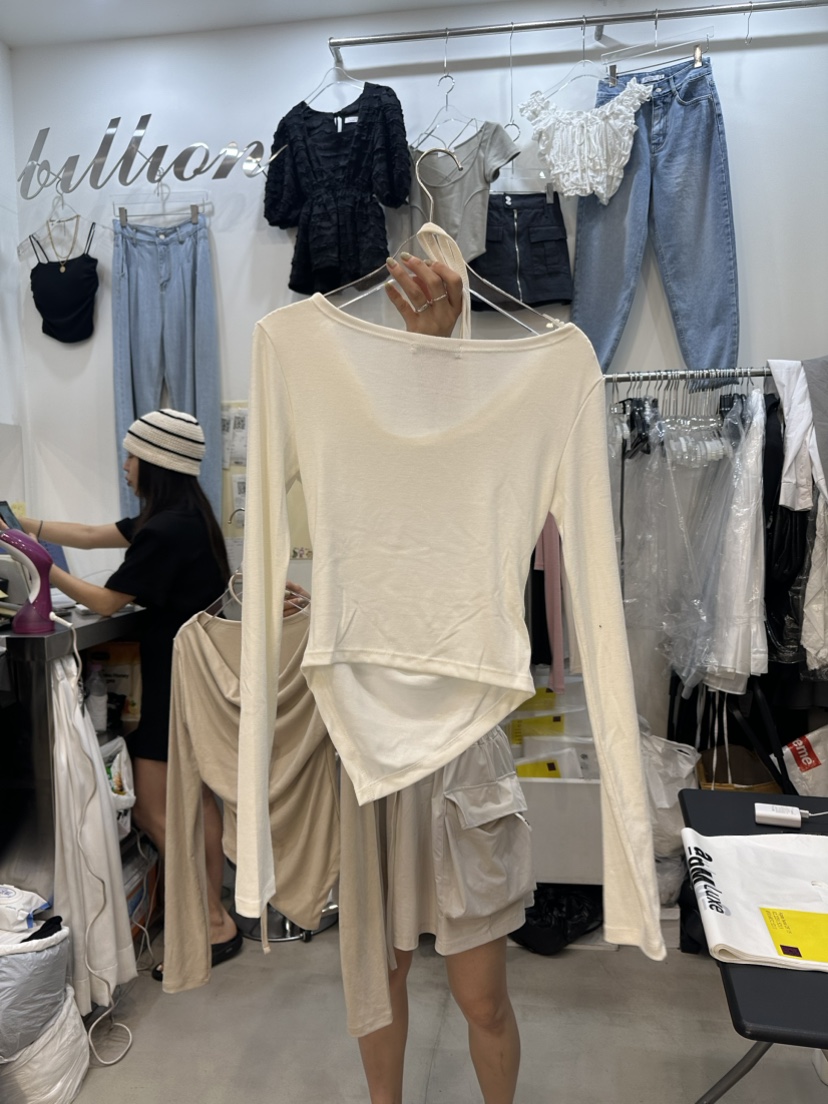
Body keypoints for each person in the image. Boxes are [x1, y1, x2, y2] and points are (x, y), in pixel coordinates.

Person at [6, 409, 308, 978]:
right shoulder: (183, 516)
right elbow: (93, 535)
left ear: (156, 463)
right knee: (198, 803)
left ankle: (210, 922)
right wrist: (23, 525)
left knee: (151, 808)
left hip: (173, 682)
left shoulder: (167, 530)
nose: (125, 466)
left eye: (132, 456)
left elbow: (105, 603)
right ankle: (213, 916)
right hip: (194, 678)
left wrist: (38, 565)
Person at [345, 253, 524, 1104]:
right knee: (377, 982)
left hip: (459, 751)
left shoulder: (486, 486)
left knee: (481, 996)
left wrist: (439, 355)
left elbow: (462, 463)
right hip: (375, 752)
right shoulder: (364, 485)